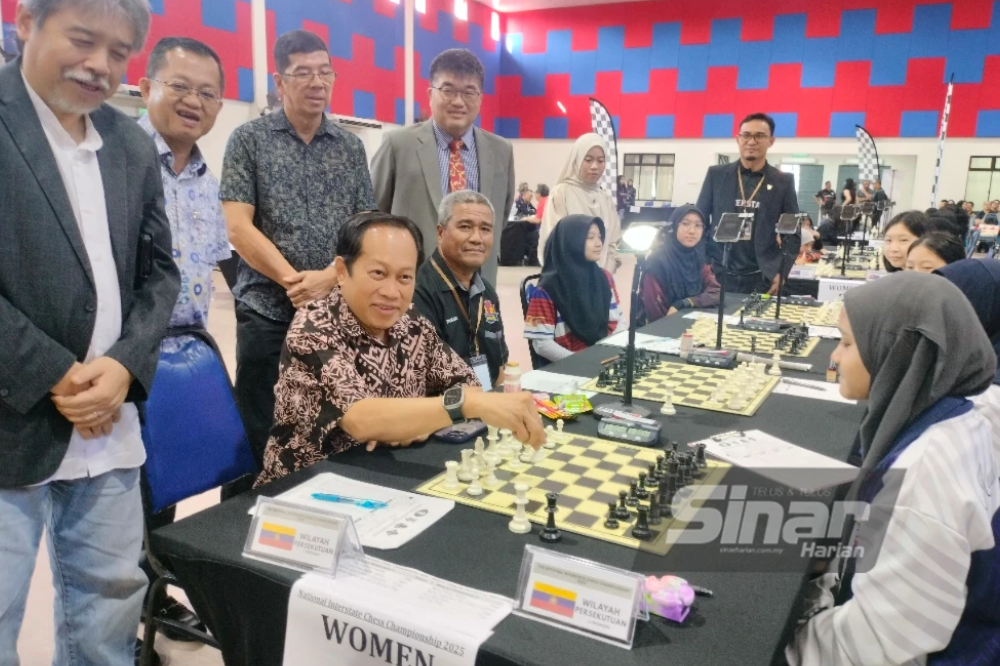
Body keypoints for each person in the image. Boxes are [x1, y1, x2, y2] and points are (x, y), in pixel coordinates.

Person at [0, 1, 182, 664]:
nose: (100, 65)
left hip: (106, 420)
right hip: (10, 413)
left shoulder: (129, 141)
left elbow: (160, 272)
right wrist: (56, 370)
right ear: (25, 24)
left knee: (109, 602)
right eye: (83, 40)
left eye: (119, 52)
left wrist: (125, 366)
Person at [786, 273, 999, 666]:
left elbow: (878, 645)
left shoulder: (923, 473)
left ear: (899, 351)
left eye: (848, 343)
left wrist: (789, 639)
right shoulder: (962, 419)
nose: (834, 357)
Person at [256, 212, 544, 485]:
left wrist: (410, 424)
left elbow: (465, 383)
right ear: (342, 271)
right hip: (306, 487)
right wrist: (460, 407)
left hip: (386, 476)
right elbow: (361, 419)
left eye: (405, 277)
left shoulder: (410, 322)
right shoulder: (314, 326)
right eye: (378, 273)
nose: (392, 292)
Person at [221, 29, 376, 475]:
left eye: (324, 71)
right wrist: (294, 281)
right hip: (267, 313)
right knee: (259, 428)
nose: (316, 82)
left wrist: (329, 277)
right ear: (279, 83)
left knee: (329, 423)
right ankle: (237, 519)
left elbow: (364, 227)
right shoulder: (248, 139)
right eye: (302, 73)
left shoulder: (349, 147)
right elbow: (238, 226)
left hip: (333, 313)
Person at [135, 34, 229, 649]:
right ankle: (119, 627)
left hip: (187, 348)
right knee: (120, 506)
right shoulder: (119, 156)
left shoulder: (202, 175)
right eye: (180, 86)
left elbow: (218, 263)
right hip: (127, 355)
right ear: (145, 89)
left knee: (160, 497)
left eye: (207, 92)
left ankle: (152, 601)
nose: (193, 101)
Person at [371, 48, 515, 285]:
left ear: (480, 98)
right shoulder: (398, 144)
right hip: (412, 282)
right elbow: (373, 213)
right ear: (430, 94)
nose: (458, 102)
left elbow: (501, 216)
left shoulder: (501, 151)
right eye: (448, 90)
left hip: (476, 283)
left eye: (469, 92)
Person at [696, 112, 800, 295]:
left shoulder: (782, 181)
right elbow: (700, 221)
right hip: (717, 272)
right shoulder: (716, 175)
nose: (752, 141)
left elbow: (792, 234)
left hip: (761, 276)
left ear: (771, 141)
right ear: (738, 139)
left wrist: (781, 272)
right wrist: (703, 263)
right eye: (746, 135)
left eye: (760, 135)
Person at [414, 191, 508, 388]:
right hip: (444, 411)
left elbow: (500, 367)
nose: (477, 238)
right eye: (465, 227)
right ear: (441, 233)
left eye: (485, 229)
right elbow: (422, 381)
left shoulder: (487, 293)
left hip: (488, 405)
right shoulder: (420, 292)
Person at [525, 215, 623, 364]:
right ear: (570, 242)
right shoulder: (546, 290)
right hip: (567, 367)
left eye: (599, 237)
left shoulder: (604, 278)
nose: (599, 243)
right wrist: (583, 362)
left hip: (603, 359)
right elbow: (542, 345)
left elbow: (618, 322)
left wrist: (608, 354)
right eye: (590, 238)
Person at [538, 133, 622, 272]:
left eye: (600, 161)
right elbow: (554, 241)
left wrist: (605, 275)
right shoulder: (562, 193)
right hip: (568, 278)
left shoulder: (605, 199)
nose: (595, 166)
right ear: (577, 160)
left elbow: (613, 243)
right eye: (588, 160)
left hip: (601, 280)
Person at [638, 205, 720, 324]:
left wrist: (685, 303)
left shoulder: (697, 258)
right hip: (660, 331)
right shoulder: (657, 262)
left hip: (692, 326)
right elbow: (656, 314)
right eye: (685, 224)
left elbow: (716, 293)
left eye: (698, 225)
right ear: (673, 226)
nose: (692, 231)